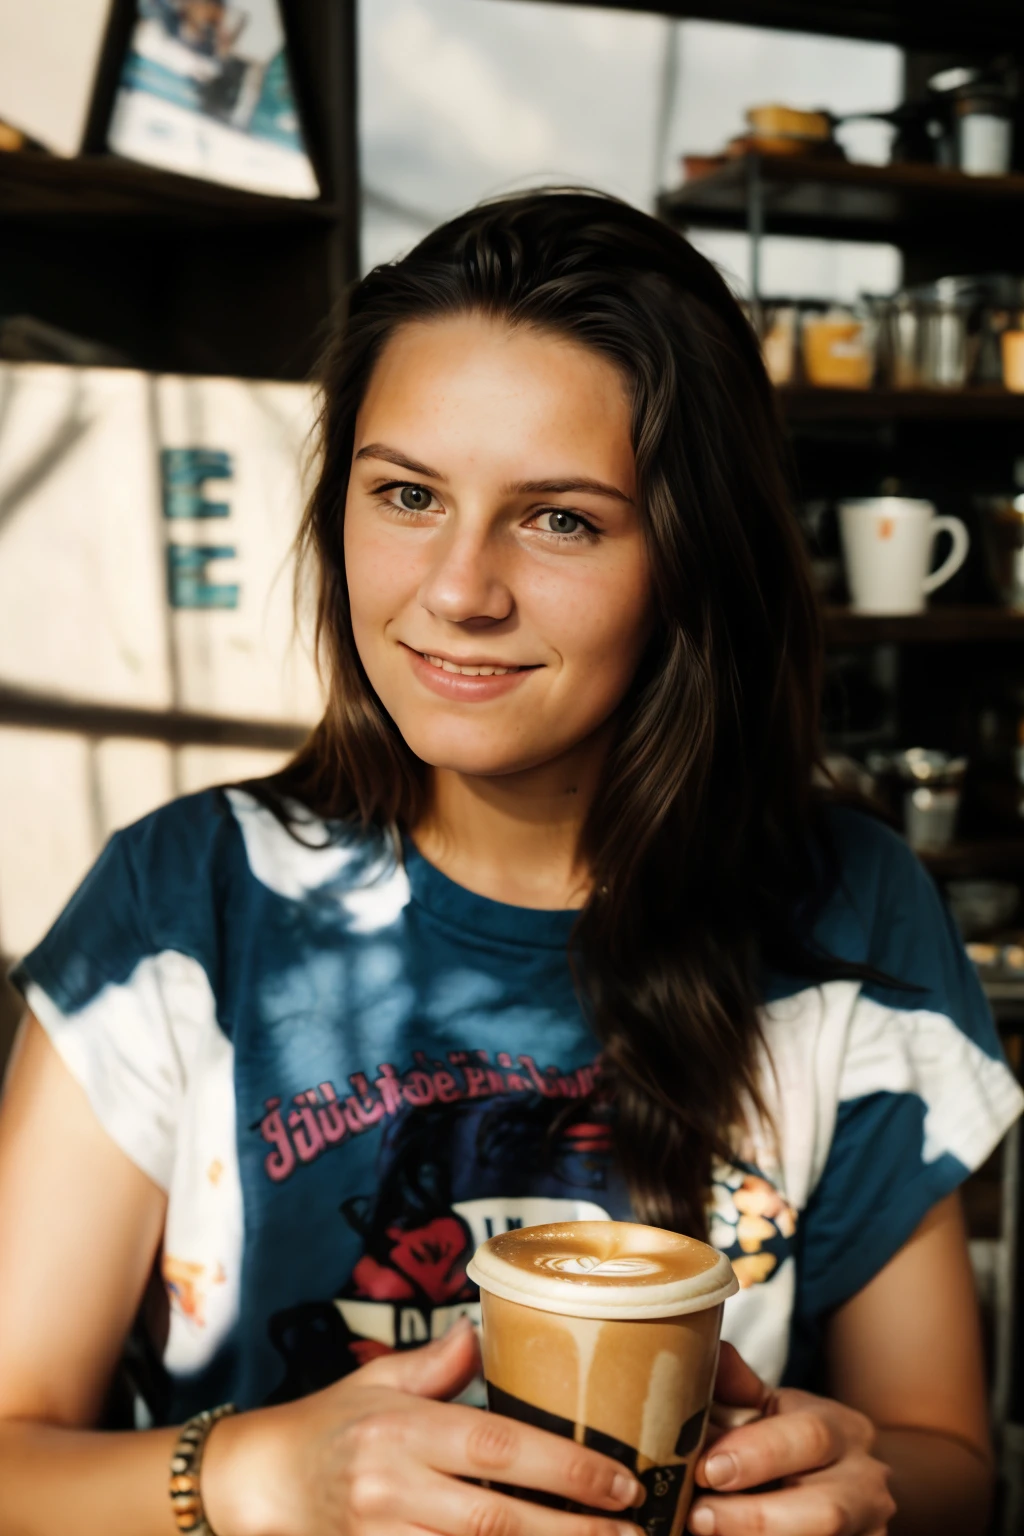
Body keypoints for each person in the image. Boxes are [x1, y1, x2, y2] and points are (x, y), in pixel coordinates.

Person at [0, 189, 1019, 1536]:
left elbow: (946, 1452)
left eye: (561, 521)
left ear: (693, 559)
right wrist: (258, 1477)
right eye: (407, 495)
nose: (459, 589)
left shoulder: (852, 907)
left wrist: (852, 1491)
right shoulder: (181, 904)